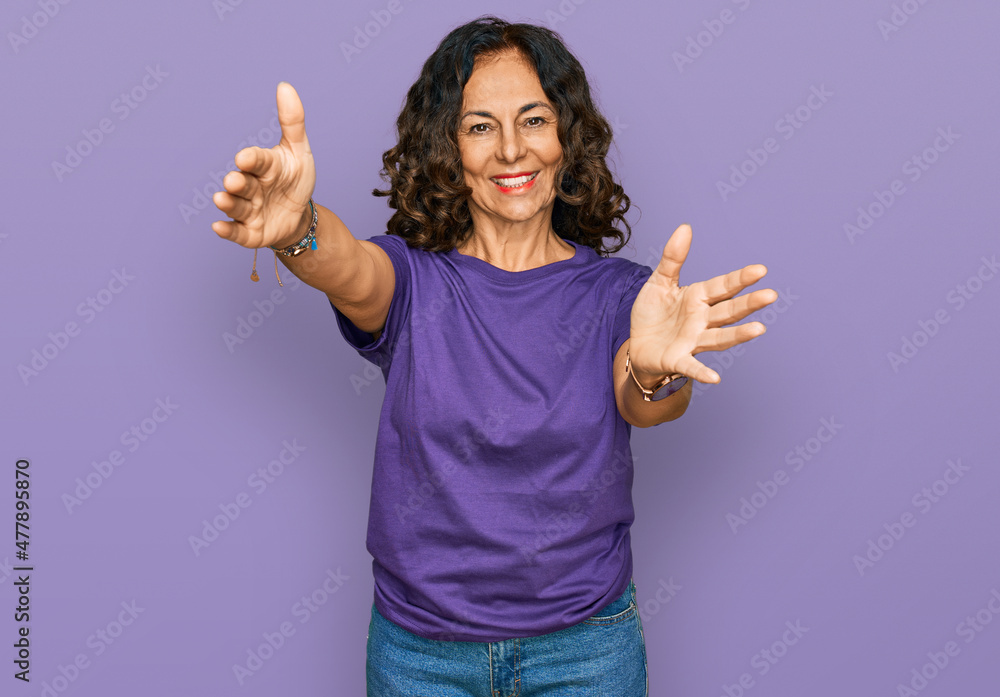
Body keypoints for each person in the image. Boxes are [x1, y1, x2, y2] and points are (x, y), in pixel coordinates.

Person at [211, 15, 776, 697]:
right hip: (420, 656)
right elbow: (347, 267)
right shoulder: (412, 282)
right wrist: (297, 227)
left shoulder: (623, 296)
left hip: (586, 652)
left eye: (534, 120)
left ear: (567, 138)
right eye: (480, 127)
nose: (512, 149)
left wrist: (653, 371)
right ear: (447, 148)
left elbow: (645, 400)